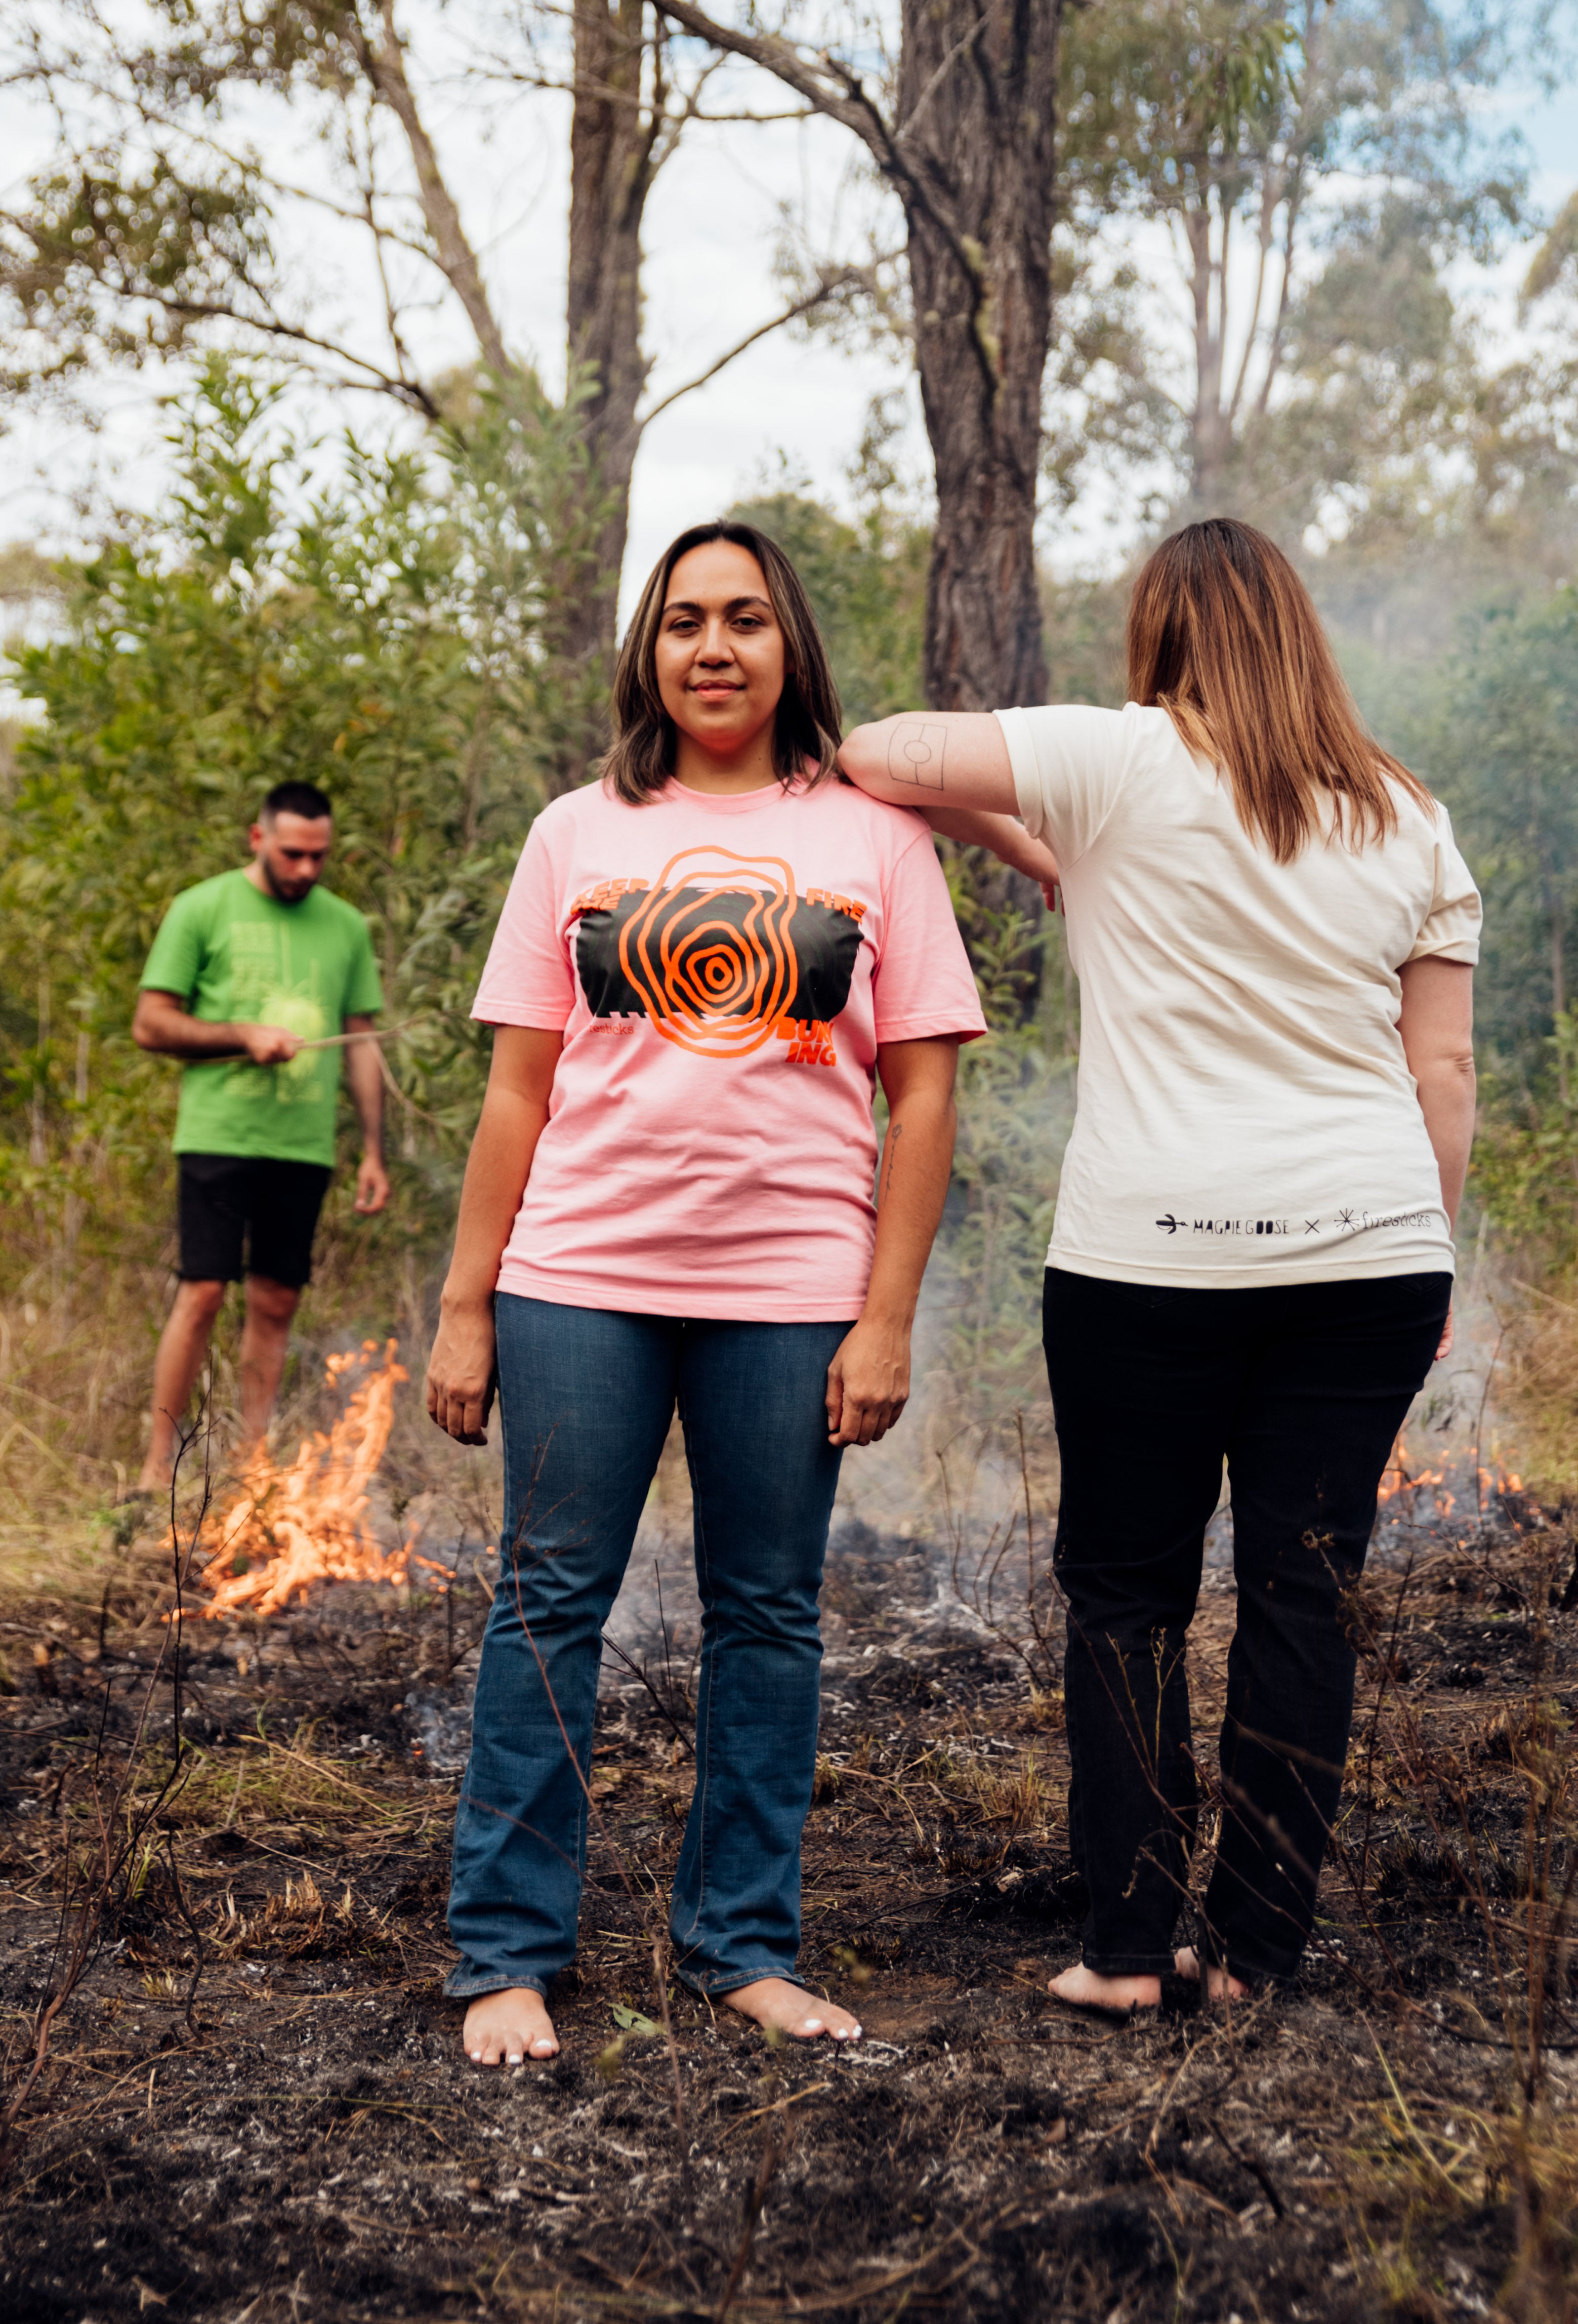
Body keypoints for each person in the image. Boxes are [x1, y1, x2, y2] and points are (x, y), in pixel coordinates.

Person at [840, 518, 1480, 2009]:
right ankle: (1256, 1955)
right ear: (1298, 636)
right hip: (1368, 1253)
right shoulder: (1407, 813)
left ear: (1160, 635)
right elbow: (1438, 1073)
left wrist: (1039, 844)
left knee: (1127, 1596)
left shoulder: (1113, 759)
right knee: (1297, 1598)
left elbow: (874, 751)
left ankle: (1126, 1953)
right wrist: (1425, 1251)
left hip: (1146, 1259)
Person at [427, 521, 991, 2067]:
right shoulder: (576, 831)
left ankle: (740, 1944)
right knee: (547, 1611)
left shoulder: (875, 838)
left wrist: (881, 1318)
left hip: (791, 1288)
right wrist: (466, 1302)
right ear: (648, 650)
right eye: (684, 621)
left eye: (745, 618)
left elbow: (924, 1100)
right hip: (577, 1279)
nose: (714, 648)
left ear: (789, 642)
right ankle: (506, 1959)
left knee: (767, 1617)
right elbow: (515, 1095)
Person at [133, 781, 389, 1493]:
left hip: (300, 1147)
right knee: (204, 1293)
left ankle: (251, 1470)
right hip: (219, 1136)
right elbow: (151, 1024)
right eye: (292, 854)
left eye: (320, 856)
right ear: (258, 839)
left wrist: (372, 1149)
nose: (306, 869)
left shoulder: (345, 927)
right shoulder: (202, 908)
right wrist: (240, 1035)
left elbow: (363, 1040)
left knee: (276, 1301)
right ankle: (158, 1468)